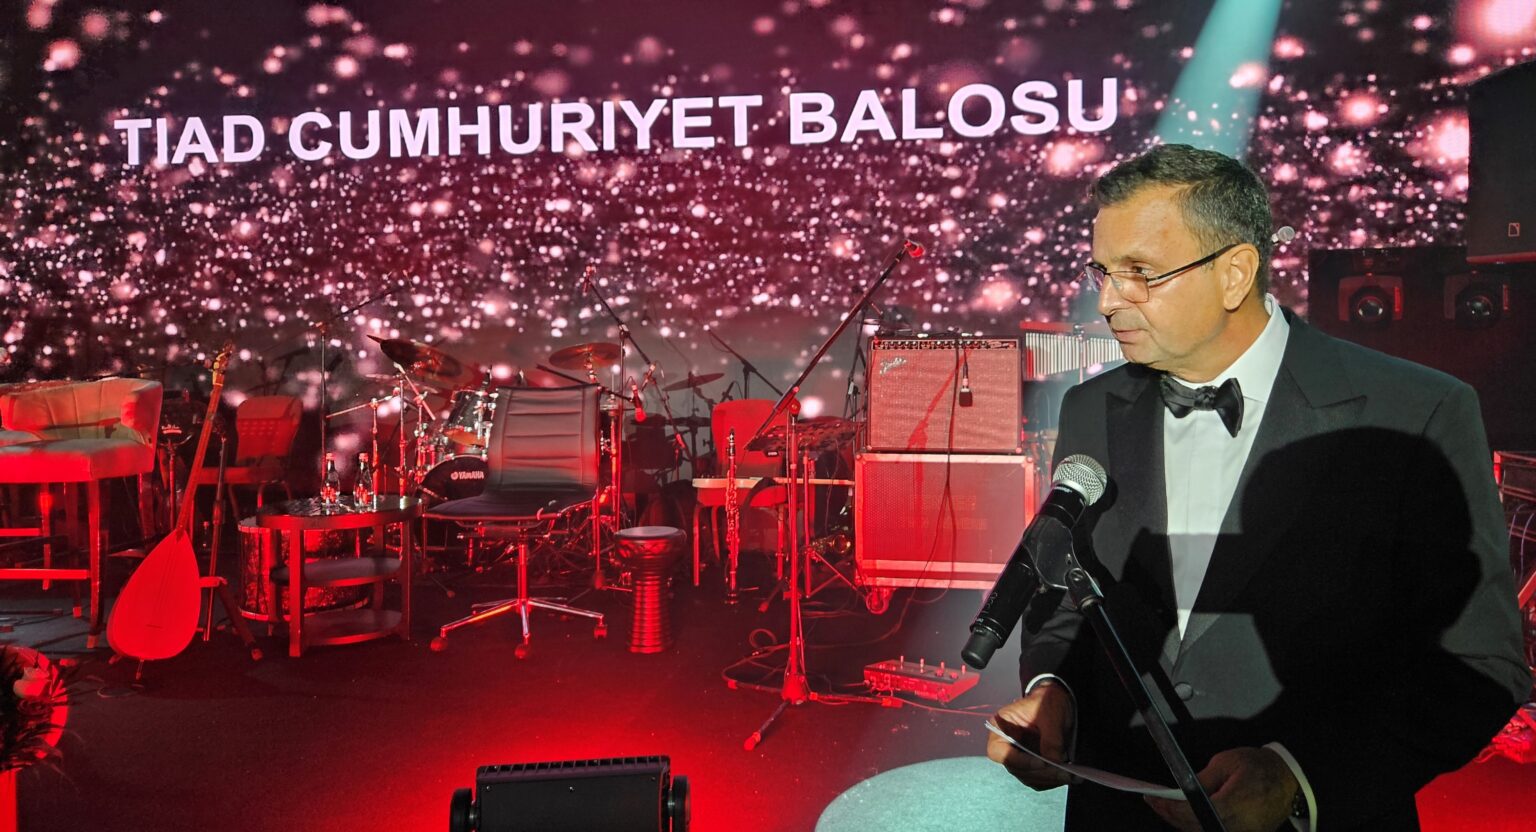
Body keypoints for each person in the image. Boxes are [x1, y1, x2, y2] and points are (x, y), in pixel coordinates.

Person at [986, 143, 1530, 831]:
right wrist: (1054, 687)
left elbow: (1480, 661)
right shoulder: (1090, 408)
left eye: (1139, 273)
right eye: (1102, 271)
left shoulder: (1417, 410)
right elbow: (1069, 593)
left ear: (1235, 273)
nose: (1107, 301)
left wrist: (1298, 775)